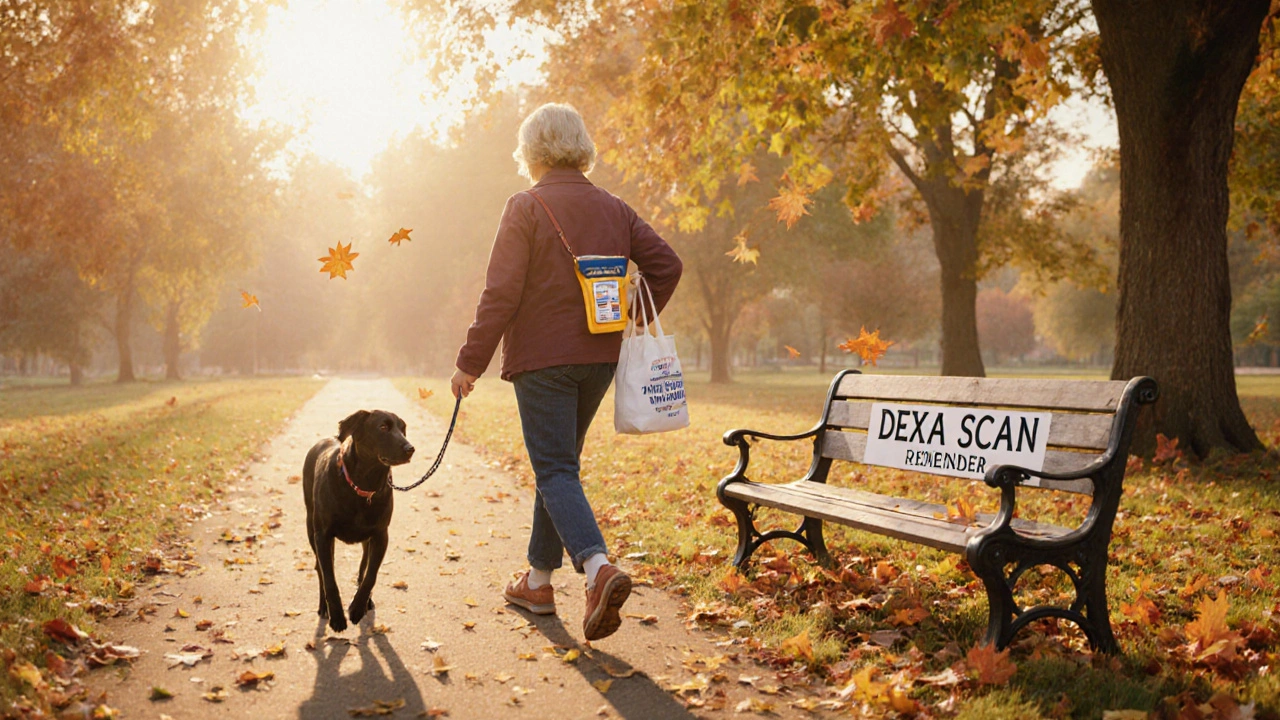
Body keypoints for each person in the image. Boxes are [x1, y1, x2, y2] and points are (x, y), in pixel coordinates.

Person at [451, 103, 682, 641]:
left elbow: (501, 293)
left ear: (531, 151)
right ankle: (536, 582)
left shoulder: (525, 205)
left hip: (542, 361)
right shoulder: (613, 207)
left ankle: (597, 569)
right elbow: (667, 264)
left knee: (555, 468)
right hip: (599, 360)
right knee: (558, 467)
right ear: (580, 145)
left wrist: (470, 362)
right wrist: (633, 318)